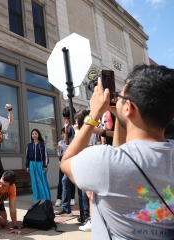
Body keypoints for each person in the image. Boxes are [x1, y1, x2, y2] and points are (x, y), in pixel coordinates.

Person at [60, 64, 174, 239]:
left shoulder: (105, 161)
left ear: (129, 107)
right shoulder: (115, 161)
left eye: (121, 96)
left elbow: (67, 161)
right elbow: (124, 154)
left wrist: (94, 115)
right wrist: (120, 117)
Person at [0, 170, 21, 234]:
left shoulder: (12, 187)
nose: (0, 186)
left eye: (4, 186)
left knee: (2, 223)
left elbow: (12, 208)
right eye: (0, 183)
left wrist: (15, 227)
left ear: (10, 185)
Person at [25, 129, 51, 201]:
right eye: (33, 134)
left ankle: (46, 198)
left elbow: (45, 156)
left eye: (36, 134)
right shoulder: (29, 145)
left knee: (43, 180)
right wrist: (27, 166)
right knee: (34, 181)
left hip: (40, 164)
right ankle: (36, 198)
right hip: (32, 164)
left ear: (38, 135)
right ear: (31, 135)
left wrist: (45, 165)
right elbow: (27, 156)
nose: (34, 135)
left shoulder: (42, 144)